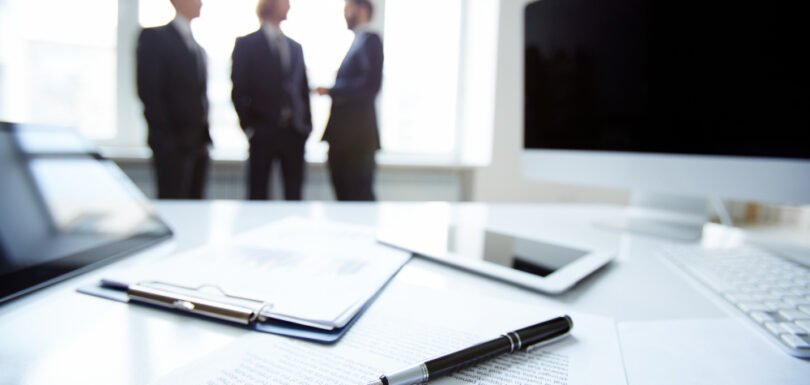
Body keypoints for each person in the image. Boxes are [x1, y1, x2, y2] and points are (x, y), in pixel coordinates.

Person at [231, 0, 312, 200]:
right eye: (285, 2)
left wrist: (306, 126)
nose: (289, 7)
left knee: (294, 193)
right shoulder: (246, 44)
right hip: (262, 130)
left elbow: (302, 90)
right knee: (258, 191)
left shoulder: (295, 47)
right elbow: (239, 90)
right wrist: (249, 127)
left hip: (294, 133)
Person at [137, 0, 211, 200]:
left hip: (199, 144)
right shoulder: (155, 38)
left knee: (195, 206)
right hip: (171, 143)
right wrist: (167, 139)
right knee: (174, 201)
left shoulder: (197, 47)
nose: (201, 2)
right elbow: (149, 92)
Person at [316, 0, 383, 201]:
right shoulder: (357, 42)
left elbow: (370, 86)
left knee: (359, 195)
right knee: (344, 194)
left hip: (357, 139)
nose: (344, 13)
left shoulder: (370, 40)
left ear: (362, 10)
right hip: (344, 138)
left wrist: (332, 90)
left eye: (347, 8)